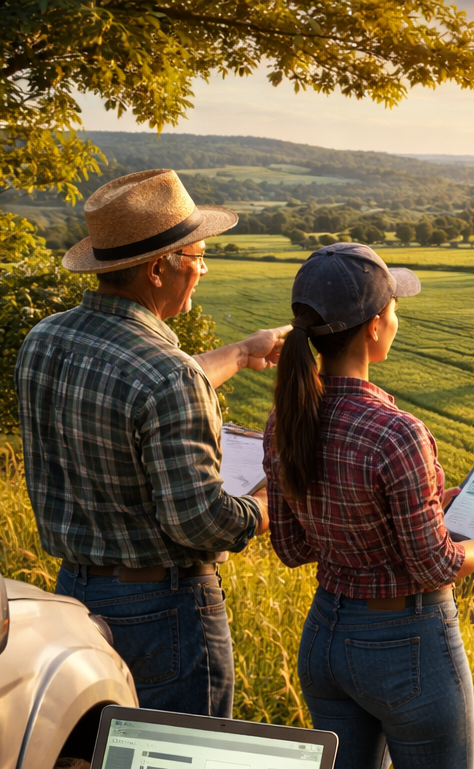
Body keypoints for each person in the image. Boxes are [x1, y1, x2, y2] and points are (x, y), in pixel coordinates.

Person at [15, 169, 290, 717]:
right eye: (198, 257)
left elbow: (135, 385)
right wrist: (270, 501)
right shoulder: (169, 375)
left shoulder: (45, 338)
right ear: (158, 268)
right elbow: (200, 522)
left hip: (73, 595)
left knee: (99, 753)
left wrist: (241, 353)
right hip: (162, 611)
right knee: (182, 760)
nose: (204, 270)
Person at [261, 243, 474, 769]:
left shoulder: (286, 418)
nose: (397, 320)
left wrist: (426, 504)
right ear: (375, 326)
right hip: (406, 644)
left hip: (325, 637)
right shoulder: (396, 431)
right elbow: (436, 565)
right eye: (395, 310)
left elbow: (292, 546)